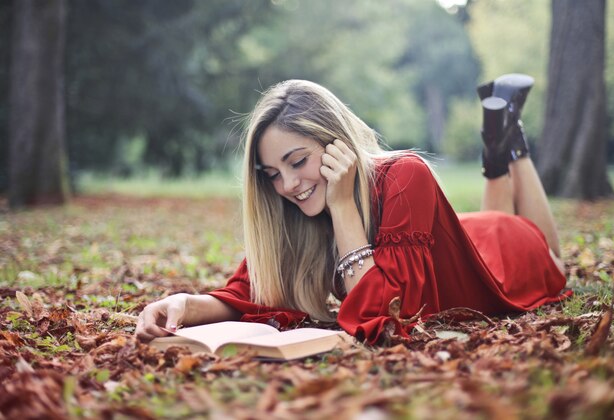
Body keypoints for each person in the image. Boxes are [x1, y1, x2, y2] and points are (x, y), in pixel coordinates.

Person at [135, 76, 568, 344]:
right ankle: (499, 137)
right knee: (486, 229)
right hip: (462, 243)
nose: (287, 186)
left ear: (335, 142)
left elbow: (389, 317)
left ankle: (510, 143)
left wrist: (343, 206)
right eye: (271, 173)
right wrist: (181, 305)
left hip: (506, 254)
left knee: (550, 255)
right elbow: (251, 292)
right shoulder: (296, 210)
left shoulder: (404, 175)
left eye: (298, 161)